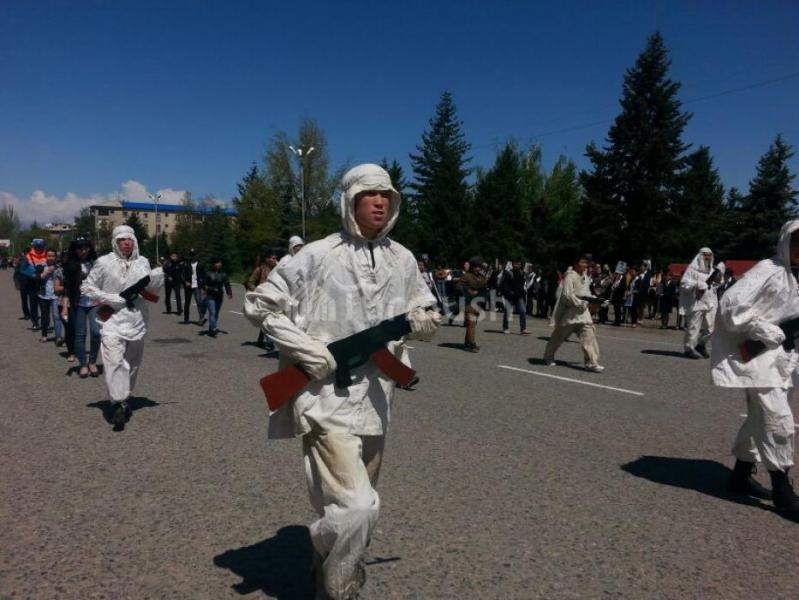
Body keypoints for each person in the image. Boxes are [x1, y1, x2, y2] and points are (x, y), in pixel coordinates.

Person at [244, 163, 439, 599]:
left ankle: (329, 566)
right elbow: (260, 305)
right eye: (369, 194)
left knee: (358, 507)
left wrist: (423, 321)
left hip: (377, 401)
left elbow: (424, 307)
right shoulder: (317, 254)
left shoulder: (402, 258)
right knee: (357, 509)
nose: (379, 202)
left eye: (386, 195)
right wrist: (306, 349)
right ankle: (339, 587)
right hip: (324, 399)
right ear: (350, 201)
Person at [711, 220, 799, 518]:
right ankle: (782, 491)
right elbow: (730, 305)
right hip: (762, 358)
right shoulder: (769, 269)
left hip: (785, 359)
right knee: (777, 419)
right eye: (797, 241)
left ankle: (740, 475)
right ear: (786, 241)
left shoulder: (796, 276)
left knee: (759, 418)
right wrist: (765, 329)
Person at [81, 225, 163, 430]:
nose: (126, 243)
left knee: (132, 364)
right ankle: (118, 404)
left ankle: (125, 397)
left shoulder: (143, 262)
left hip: (137, 320)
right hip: (111, 320)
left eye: (129, 239)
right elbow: (87, 287)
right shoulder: (104, 262)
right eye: (122, 240)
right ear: (115, 242)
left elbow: (151, 292)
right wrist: (111, 298)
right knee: (114, 361)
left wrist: (157, 279)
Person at [544, 255, 604, 372]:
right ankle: (548, 356)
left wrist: (597, 300)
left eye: (586, 263)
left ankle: (591, 363)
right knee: (558, 337)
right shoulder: (570, 276)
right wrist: (579, 302)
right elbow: (567, 294)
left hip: (584, 314)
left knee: (589, 336)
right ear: (576, 264)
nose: (585, 265)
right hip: (570, 313)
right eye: (582, 262)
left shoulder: (585, 277)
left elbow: (587, 293)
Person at [63, 237, 100, 374]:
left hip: (94, 302)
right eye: (80, 248)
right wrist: (65, 307)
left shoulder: (95, 263)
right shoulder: (70, 265)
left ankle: (92, 361)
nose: (83, 251)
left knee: (96, 332)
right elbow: (67, 287)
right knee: (80, 334)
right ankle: (83, 364)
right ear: (75, 250)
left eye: (86, 248)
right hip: (78, 303)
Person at [680, 247, 715, 359]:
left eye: (709, 255)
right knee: (693, 327)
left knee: (711, 327)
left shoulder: (712, 271)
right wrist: (697, 284)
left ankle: (701, 344)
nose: (708, 257)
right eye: (705, 255)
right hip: (696, 302)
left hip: (709, 302)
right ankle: (688, 349)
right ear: (700, 256)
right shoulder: (691, 270)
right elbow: (684, 284)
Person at [247, 251, 279, 348]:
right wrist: (257, 291)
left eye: (276, 258)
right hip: (263, 298)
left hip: (274, 298)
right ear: (267, 259)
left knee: (268, 319)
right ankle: (269, 341)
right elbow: (250, 282)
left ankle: (260, 340)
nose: (275, 260)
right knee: (267, 318)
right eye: (273, 258)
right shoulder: (259, 269)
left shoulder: (278, 270)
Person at [457, 258, 488, 352]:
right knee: (471, 323)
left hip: (478, 303)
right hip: (468, 303)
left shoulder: (482, 277)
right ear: (472, 267)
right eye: (476, 267)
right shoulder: (467, 276)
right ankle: (471, 344)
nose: (477, 269)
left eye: (479, 267)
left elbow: (485, 288)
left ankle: (467, 343)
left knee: (473, 324)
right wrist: (469, 291)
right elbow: (458, 286)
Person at [36, 249, 62, 344]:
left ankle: (58, 337)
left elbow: (63, 279)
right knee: (44, 316)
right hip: (44, 295)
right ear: (46, 256)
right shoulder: (41, 266)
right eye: (49, 256)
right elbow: (37, 278)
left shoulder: (59, 267)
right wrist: (46, 271)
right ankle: (44, 335)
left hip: (55, 295)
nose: (51, 258)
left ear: (56, 257)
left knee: (56, 316)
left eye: (53, 256)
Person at [203, 258, 233, 337]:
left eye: (220, 263)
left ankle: (211, 328)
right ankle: (214, 328)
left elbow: (227, 284)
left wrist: (229, 293)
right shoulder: (208, 273)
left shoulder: (223, 274)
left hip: (219, 296)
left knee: (216, 313)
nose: (219, 264)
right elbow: (204, 285)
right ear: (213, 264)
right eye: (217, 263)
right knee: (212, 312)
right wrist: (211, 289)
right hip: (210, 296)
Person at [500, 260, 530, 334]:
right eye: (516, 264)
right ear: (513, 264)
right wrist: (509, 292)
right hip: (510, 295)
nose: (518, 265)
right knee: (507, 311)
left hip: (519, 295)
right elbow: (504, 284)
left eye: (519, 264)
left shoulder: (521, 273)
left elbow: (523, 284)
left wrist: (523, 291)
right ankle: (505, 327)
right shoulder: (508, 273)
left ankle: (523, 329)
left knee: (523, 311)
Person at [181, 249, 206, 325]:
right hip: (188, 286)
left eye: (194, 255)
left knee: (199, 302)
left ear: (196, 255)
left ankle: (201, 318)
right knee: (187, 303)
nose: (193, 257)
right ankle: (186, 319)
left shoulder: (200, 264)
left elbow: (204, 276)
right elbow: (182, 275)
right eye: (191, 255)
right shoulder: (186, 264)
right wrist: (185, 282)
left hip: (197, 286)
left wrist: (204, 287)